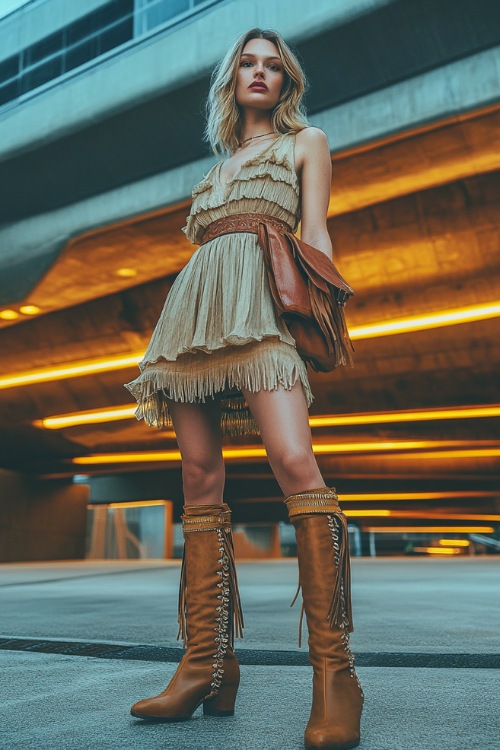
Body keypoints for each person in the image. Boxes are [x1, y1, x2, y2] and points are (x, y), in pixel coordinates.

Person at [125, 27, 364, 750]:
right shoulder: (218, 167)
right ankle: (205, 664)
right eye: (247, 65)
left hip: (262, 313)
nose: (259, 74)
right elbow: (208, 246)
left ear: (286, 83)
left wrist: (310, 321)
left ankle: (336, 674)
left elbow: (314, 232)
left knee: (295, 461)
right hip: (193, 316)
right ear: (232, 81)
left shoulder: (306, 143)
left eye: (273, 67)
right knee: (199, 476)